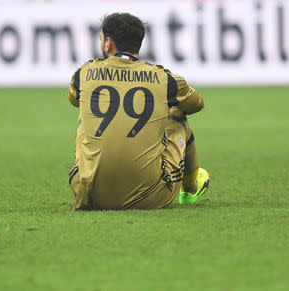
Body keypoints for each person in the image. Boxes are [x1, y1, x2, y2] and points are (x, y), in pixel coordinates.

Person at [67, 13, 209, 210]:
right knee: (177, 113)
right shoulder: (163, 78)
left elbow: (73, 98)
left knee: (85, 114)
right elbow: (197, 103)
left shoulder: (83, 74)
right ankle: (191, 187)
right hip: (150, 197)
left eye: (101, 39)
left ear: (108, 43)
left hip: (89, 194)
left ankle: (92, 177)